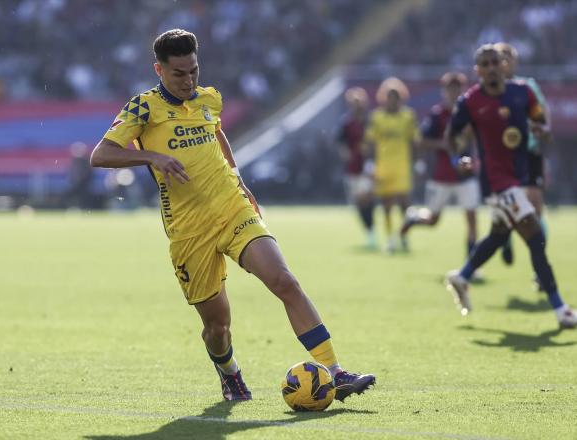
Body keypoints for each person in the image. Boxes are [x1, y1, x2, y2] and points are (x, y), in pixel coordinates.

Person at [90, 29, 376, 401]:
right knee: (218, 327)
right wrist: (153, 156)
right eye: (179, 73)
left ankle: (336, 372)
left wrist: (239, 179)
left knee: (284, 281)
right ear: (158, 70)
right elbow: (101, 154)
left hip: (231, 207)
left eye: (193, 70)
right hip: (189, 230)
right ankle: (229, 372)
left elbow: (217, 133)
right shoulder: (143, 108)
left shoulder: (209, 98)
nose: (189, 80)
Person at [445, 44, 576, 329]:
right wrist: (459, 158)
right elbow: (452, 135)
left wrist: (541, 130)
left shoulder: (523, 93)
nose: (492, 67)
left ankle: (463, 276)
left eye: (496, 62)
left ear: (504, 65)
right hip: (496, 183)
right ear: (477, 70)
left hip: (519, 176)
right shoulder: (470, 101)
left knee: (497, 235)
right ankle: (561, 308)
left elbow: (542, 123)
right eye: (485, 64)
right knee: (534, 236)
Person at [400, 72, 480, 260]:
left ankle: (471, 266)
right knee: (433, 220)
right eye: (450, 89)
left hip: (465, 174)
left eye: (457, 89)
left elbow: (477, 138)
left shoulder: (469, 114)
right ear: (444, 91)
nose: (454, 93)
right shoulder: (437, 115)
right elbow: (421, 141)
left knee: (472, 219)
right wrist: (442, 144)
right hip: (442, 176)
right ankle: (412, 219)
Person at [494, 42, 552, 281]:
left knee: (535, 209)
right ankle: (505, 237)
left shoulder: (528, 87)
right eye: (500, 57)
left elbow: (542, 116)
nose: (505, 61)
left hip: (528, 153)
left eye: (509, 56)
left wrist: (543, 129)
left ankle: (540, 270)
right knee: (510, 210)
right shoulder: (487, 92)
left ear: (515, 62)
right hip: (502, 157)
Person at [365, 77, 420, 253]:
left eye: (395, 96)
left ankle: (404, 235)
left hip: (402, 165)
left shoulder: (408, 116)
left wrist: (418, 163)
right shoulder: (377, 117)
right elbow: (371, 142)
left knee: (405, 204)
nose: (392, 99)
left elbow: (414, 141)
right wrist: (370, 163)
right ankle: (390, 238)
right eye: (389, 96)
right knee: (386, 203)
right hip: (384, 166)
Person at [336, 87, 376, 248]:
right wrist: (345, 153)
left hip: (367, 166)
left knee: (366, 198)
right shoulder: (347, 123)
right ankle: (369, 230)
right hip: (353, 167)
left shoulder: (370, 121)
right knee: (358, 202)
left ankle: (372, 230)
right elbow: (340, 142)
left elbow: (376, 142)